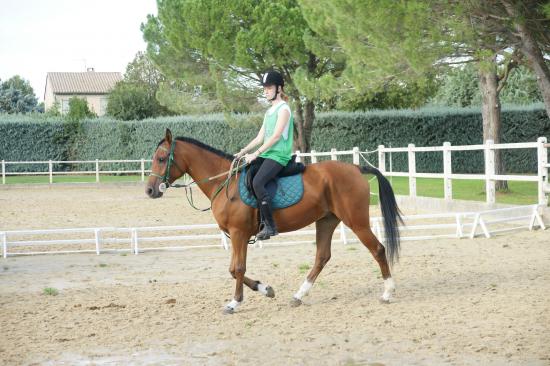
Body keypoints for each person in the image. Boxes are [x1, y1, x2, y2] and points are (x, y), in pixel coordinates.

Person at [235, 70, 294, 240]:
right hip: (267, 154)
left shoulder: (284, 109)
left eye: (269, 88)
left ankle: (270, 226)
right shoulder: (269, 112)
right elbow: (260, 137)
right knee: (248, 174)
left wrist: (256, 154)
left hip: (279, 156)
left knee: (258, 182)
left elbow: (275, 136)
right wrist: (243, 151)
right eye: (265, 88)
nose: (266, 91)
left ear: (279, 89)